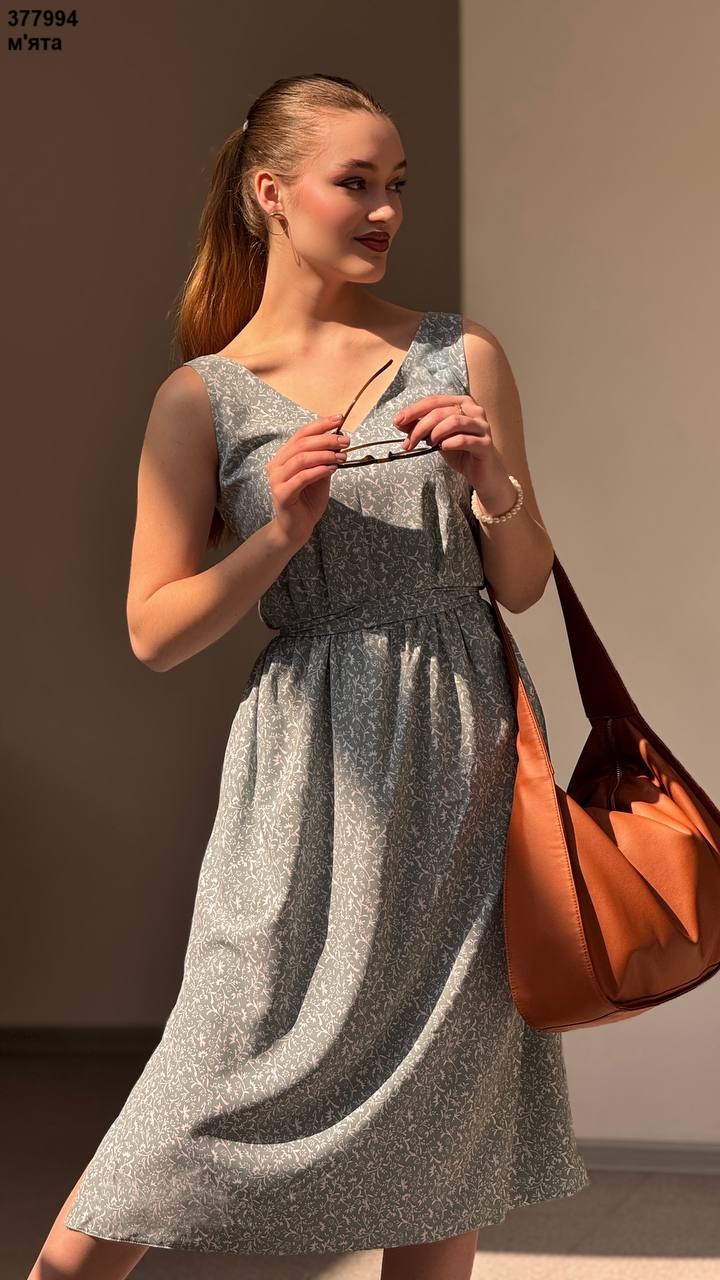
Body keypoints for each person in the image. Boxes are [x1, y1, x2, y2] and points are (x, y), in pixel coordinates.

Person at [29, 72, 590, 1280]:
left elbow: (523, 583)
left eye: (397, 185)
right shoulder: (203, 397)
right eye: (356, 183)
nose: (385, 210)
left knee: (446, 1096)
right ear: (271, 193)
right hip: (310, 764)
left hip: (465, 746)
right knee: (216, 1056)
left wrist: (493, 482)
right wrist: (277, 536)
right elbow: (154, 630)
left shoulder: (461, 353)